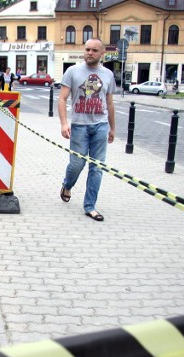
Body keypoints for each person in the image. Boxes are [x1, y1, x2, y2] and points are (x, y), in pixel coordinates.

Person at [57, 38, 116, 222]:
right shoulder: (73, 71)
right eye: (87, 49)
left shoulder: (108, 74)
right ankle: (67, 185)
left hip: (100, 125)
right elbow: (62, 98)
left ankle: (90, 206)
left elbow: (110, 103)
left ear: (102, 53)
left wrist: (112, 128)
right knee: (76, 165)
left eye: (94, 50)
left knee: (97, 168)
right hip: (80, 126)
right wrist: (64, 123)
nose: (90, 53)